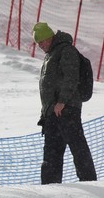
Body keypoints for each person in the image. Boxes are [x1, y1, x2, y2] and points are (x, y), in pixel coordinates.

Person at [32, 22, 97, 184]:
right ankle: (50, 186)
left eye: (42, 41)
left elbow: (71, 77)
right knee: (52, 152)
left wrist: (62, 101)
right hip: (52, 112)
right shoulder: (51, 54)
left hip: (67, 109)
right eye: (38, 43)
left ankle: (89, 182)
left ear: (50, 37)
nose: (40, 45)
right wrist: (46, 111)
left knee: (77, 146)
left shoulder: (66, 50)